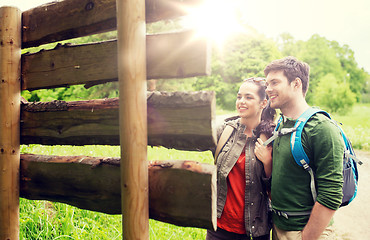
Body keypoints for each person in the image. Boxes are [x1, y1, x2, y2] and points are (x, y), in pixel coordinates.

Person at [259, 56, 344, 240]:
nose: (268, 89)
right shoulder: (282, 124)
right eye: (267, 84)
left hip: (306, 233)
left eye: (274, 82)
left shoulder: (321, 128)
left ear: (296, 83)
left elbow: (332, 195)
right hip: (279, 228)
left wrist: (306, 237)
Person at [206, 77, 276, 240]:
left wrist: (268, 163)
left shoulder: (271, 138)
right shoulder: (224, 131)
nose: (241, 101)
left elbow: (276, 194)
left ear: (263, 103)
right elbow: (192, 140)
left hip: (255, 231)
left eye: (248, 97)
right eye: (239, 97)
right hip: (219, 227)